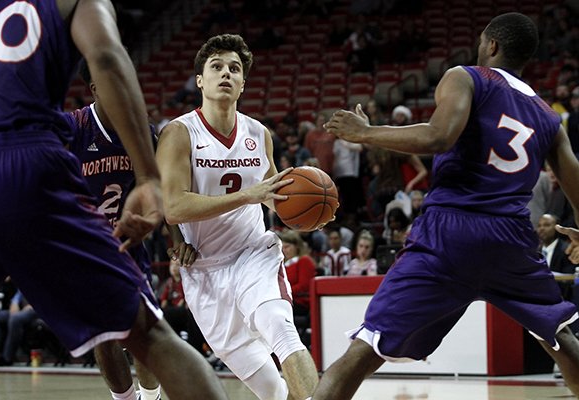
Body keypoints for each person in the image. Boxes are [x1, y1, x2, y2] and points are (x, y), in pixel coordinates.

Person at [314, 13, 579, 399]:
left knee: (368, 345)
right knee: (560, 338)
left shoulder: (466, 75)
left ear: (491, 45)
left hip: (451, 230)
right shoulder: (549, 118)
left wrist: (366, 133)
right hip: (513, 239)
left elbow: (439, 137)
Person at [0, 1, 227, 399]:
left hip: (121, 236)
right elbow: (108, 56)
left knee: (127, 332)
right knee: (149, 334)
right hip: (27, 161)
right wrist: (148, 177)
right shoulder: (77, 123)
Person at [156, 34, 320, 400]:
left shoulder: (259, 133)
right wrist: (247, 196)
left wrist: (305, 214)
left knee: (281, 328)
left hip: (253, 254)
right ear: (200, 80)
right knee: (269, 389)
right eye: (216, 67)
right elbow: (174, 207)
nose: (226, 73)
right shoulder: (179, 133)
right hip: (205, 271)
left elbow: (275, 196)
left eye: (235, 68)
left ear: (243, 83)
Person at [65, 60, 162, 400]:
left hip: (129, 247)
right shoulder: (73, 128)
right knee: (104, 337)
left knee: (145, 333)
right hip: (84, 250)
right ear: (95, 89)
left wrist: (177, 239)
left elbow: (164, 192)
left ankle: (150, 398)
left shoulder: (144, 131)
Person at [0, 291, 38, 366]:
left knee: (15, 318)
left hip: (37, 310)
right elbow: (19, 294)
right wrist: (14, 302)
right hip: (21, 310)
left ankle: (7, 358)